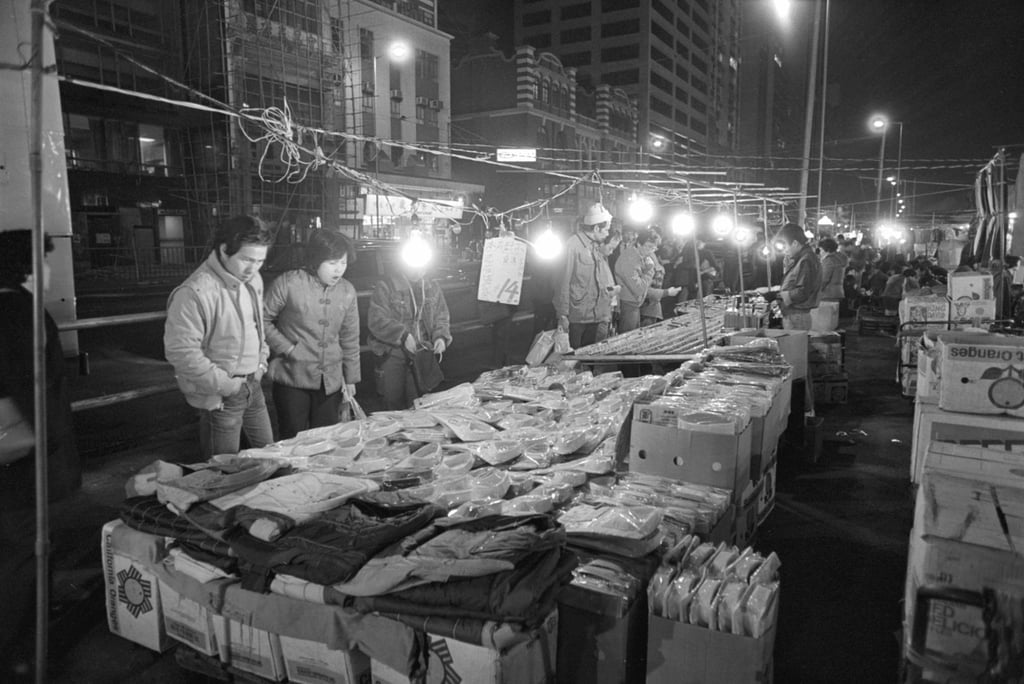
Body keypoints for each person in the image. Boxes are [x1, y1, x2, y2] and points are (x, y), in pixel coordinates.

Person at [0, 230, 81, 678]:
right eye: (46, 261)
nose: (51, 270)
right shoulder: (20, 313)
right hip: (22, 463)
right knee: (24, 555)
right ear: (27, 267)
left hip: (10, 458)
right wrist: (53, 455)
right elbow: (35, 392)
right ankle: (20, 652)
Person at [164, 215, 274, 457]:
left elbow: (257, 325)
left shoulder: (253, 280)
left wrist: (261, 361)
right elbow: (181, 352)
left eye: (259, 261)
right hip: (223, 394)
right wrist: (227, 385)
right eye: (246, 259)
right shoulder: (195, 291)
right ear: (224, 250)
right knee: (223, 469)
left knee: (271, 457)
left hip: (253, 384)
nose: (253, 268)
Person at [263, 230, 360, 439]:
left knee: (325, 440)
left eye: (343, 263)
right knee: (292, 438)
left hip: (330, 382)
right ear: (316, 259)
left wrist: (350, 377)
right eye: (332, 263)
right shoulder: (289, 283)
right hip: (292, 378)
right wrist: (286, 347)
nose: (339, 270)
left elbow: (350, 337)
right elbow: (261, 319)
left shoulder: (347, 291)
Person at [367, 240, 452, 410]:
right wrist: (403, 335)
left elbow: (441, 316)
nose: (417, 271)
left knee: (420, 403)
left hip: (422, 352)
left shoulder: (431, 287)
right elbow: (377, 320)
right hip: (392, 352)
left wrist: (441, 337)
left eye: (422, 267)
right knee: (393, 404)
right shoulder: (386, 286)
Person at [554, 203, 618, 349]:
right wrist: (562, 315)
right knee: (574, 359)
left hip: (595, 316)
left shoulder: (595, 246)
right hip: (577, 317)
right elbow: (562, 283)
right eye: (606, 229)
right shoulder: (572, 246)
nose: (608, 234)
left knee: (589, 357)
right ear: (596, 228)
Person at [614, 227, 680, 332]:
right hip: (628, 305)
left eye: (653, 248)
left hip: (635, 304)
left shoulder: (641, 257)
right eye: (648, 247)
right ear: (639, 244)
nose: (650, 251)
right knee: (628, 338)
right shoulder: (629, 260)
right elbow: (639, 289)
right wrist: (650, 270)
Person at [771, 223, 821, 330]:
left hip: (798, 316)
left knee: (795, 345)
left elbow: (803, 291)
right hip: (795, 314)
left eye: (785, 246)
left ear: (794, 243)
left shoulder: (806, 260)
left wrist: (780, 296)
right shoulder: (800, 259)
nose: (784, 250)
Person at [818, 238, 846, 304]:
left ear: (827, 250)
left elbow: (824, 279)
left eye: (821, 250)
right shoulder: (838, 259)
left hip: (828, 294)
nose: (820, 252)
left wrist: (815, 292)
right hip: (837, 293)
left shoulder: (828, 261)